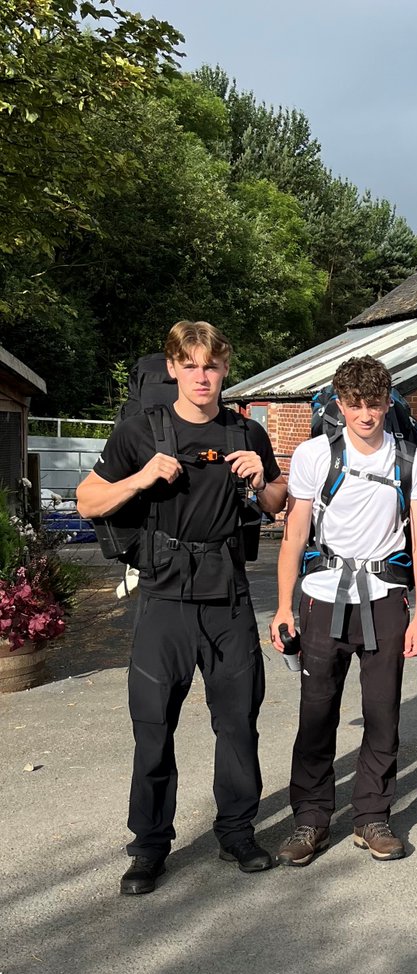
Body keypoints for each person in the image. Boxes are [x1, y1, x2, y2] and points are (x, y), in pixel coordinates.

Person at [77, 320, 287, 895]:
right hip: (164, 595)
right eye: (189, 365)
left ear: (225, 368)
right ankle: (148, 847)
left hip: (227, 596)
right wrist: (141, 478)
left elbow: (279, 501)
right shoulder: (140, 431)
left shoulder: (246, 431)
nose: (201, 376)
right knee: (152, 725)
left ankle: (237, 832)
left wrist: (262, 480)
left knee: (238, 721)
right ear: (172, 368)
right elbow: (87, 499)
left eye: (211, 365)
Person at [271, 355, 417, 867]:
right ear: (339, 405)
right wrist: (283, 606)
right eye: (355, 404)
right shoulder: (313, 455)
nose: (366, 414)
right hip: (322, 596)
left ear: (388, 403)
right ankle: (311, 819)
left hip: (385, 598)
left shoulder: (411, 461)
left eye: (374, 403)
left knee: (383, 713)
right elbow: (295, 534)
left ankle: (372, 816)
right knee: (316, 712)